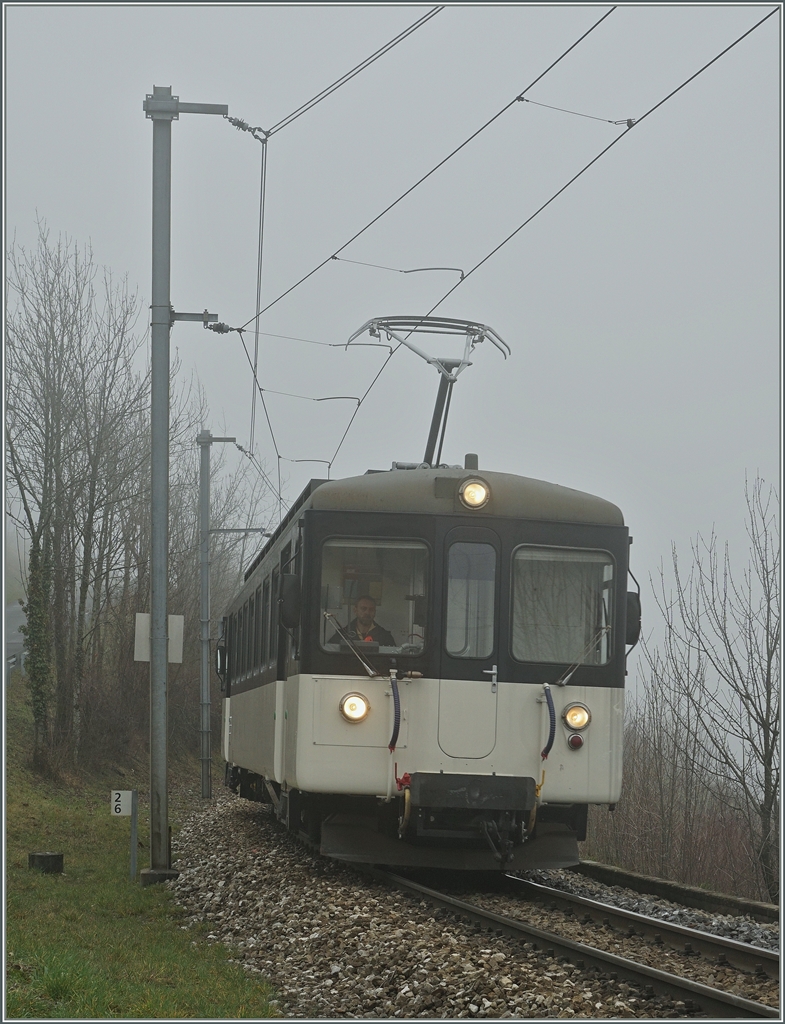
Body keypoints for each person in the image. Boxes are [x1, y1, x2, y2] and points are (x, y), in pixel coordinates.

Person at [329, 595, 395, 646]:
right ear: (355, 611)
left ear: (375, 612)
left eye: (371, 609)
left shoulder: (385, 636)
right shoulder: (343, 635)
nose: (367, 612)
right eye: (363, 609)